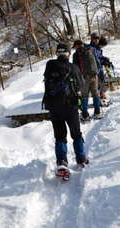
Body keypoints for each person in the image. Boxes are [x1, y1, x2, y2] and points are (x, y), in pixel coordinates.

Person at [42, 43, 89, 180]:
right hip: (70, 107)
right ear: (68, 53)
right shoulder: (73, 67)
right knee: (76, 134)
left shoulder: (50, 65)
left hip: (54, 107)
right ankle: (81, 158)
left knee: (60, 136)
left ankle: (62, 162)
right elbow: (82, 86)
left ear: (57, 53)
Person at [72, 39, 102, 121]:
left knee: (84, 96)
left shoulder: (76, 54)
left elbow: (75, 68)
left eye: (75, 47)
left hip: (84, 77)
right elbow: (98, 62)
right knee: (95, 94)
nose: (74, 49)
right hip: (94, 75)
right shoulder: (91, 50)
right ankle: (97, 112)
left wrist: (76, 79)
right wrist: (97, 73)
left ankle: (85, 115)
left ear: (77, 45)